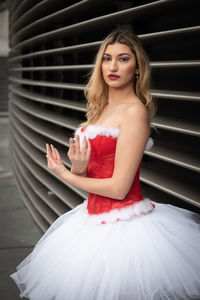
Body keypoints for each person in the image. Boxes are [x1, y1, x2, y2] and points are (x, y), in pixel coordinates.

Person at [10, 28, 200, 300]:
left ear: (137, 68)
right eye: (107, 58)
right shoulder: (100, 107)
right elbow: (92, 174)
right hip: (90, 221)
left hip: (128, 229)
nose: (113, 66)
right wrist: (77, 166)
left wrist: (65, 175)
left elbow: (119, 189)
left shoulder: (135, 112)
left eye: (123, 59)